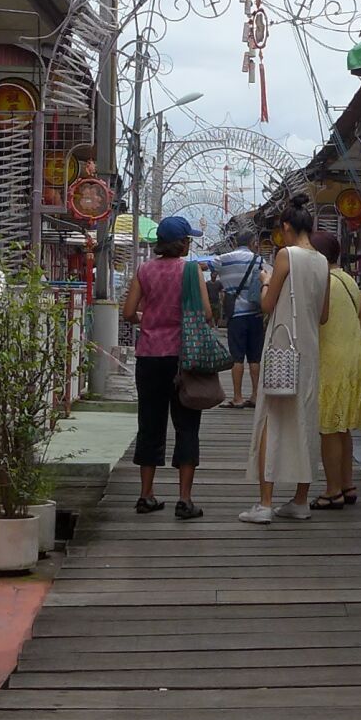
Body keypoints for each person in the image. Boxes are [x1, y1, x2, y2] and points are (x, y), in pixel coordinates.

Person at [241, 194, 329, 526]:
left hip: (281, 348)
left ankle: (265, 503)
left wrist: (265, 283)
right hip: (310, 350)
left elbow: (267, 304)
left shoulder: (285, 255)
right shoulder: (322, 261)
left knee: (270, 420)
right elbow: (323, 314)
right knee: (306, 422)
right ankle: (300, 500)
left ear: (287, 227)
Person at [120, 213, 213, 520]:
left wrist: (148, 319)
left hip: (149, 357)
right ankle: (185, 500)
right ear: (182, 243)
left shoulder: (144, 270)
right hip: (183, 359)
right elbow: (207, 313)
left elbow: (129, 311)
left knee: (150, 423)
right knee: (187, 426)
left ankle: (146, 495)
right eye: (188, 239)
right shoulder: (191, 271)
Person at [313, 230, 361, 508]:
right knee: (343, 427)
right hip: (356, 359)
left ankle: (333, 490)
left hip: (332, 362)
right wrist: (351, 337)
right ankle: (348, 484)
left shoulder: (324, 282)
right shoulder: (347, 279)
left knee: (328, 427)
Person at [212, 220, 266, 408]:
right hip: (256, 314)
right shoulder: (259, 260)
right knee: (255, 358)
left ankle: (237, 397)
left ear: (235, 243)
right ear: (252, 243)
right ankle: (256, 395)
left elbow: (209, 269)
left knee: (237, 357)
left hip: (235, 315)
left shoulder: (223, 259)